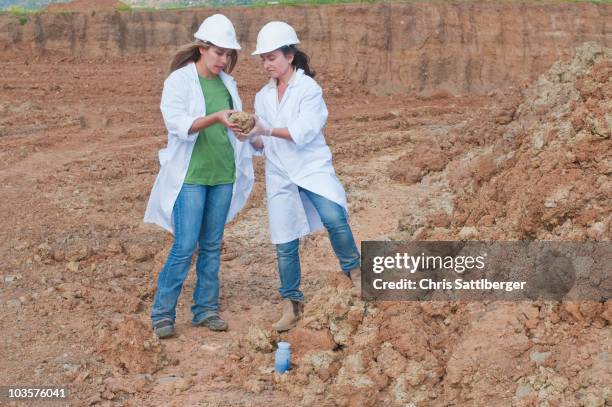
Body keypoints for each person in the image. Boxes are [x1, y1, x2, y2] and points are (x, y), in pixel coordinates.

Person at [244, 21, 360, 332]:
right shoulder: (262, 97)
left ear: (290, 55)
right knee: (285, 241)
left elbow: (303, 132)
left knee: (334, 217)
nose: (267, 64)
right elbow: (262, 143)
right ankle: (291, 303)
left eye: (272, 57)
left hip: (310, 166)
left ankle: (355, 273)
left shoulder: (309, 89)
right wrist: (247, 134)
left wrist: (263, 128)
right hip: (280, 172)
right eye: (263, 59)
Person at [143, 14, 254, 339]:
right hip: (190, 176)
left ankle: (205, 309)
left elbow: (229, 126)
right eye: (219, 52)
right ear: (202, 48)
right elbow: (177, 124)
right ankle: (162, 314)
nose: (224, 60)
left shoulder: (227, 84)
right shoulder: (179, 81)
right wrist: (216, 117)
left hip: (222, 174)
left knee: (212, 245)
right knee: (185, 244)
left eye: (229, 54)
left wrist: (241, 127)